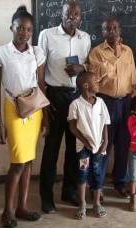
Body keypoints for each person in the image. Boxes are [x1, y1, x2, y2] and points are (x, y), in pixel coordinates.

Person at [0, 5, 47, 228]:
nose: (24, 33)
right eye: (20, 28)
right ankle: (8, 210)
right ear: (11, 28)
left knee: (29, 159)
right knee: (18, 162)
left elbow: (41, 84)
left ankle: (22, 207)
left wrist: (46, 118)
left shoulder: (37, 52)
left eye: (29, 29)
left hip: (34, 108)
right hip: (12, 108)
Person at [38, 1, 92, 214]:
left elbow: (89, 63)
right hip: (54, 95)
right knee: (51, 149)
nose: (72, 17)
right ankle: (46, 197)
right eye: (68, 13)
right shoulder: (47, 35)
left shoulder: (85, 38)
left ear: (81, 17)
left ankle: (69, 191)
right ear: (61, 14)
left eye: (76, 14)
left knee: (74, 147)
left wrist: (82, 67)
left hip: (77, 96)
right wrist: (44, 102)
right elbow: (39, 70)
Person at [89, 18, 136, 199]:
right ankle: (97, 186)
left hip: (125, 102)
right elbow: (94, 76)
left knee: (123, 144)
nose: (112, 31)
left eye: (115, 28)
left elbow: (132, 77)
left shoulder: (128, 51)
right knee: (103, 145)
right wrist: (114, 58)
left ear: (120, 30)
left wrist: (134, 96)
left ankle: (121, 182)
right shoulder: (97, 52)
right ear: (103, 32)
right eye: (108, 29)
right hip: (105, 102)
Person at [68, 72, 109, 219]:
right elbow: (73, 127)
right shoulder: (76, 105)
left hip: (98, 146)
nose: (98, 82)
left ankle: (97, 203)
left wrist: (106, 142)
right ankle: (83, 204)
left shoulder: (101, 103)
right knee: (83, 173)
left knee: (97, 173)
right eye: (95, 81)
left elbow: (105, 123)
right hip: (84, 148)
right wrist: (86, 143)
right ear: (86, 86)